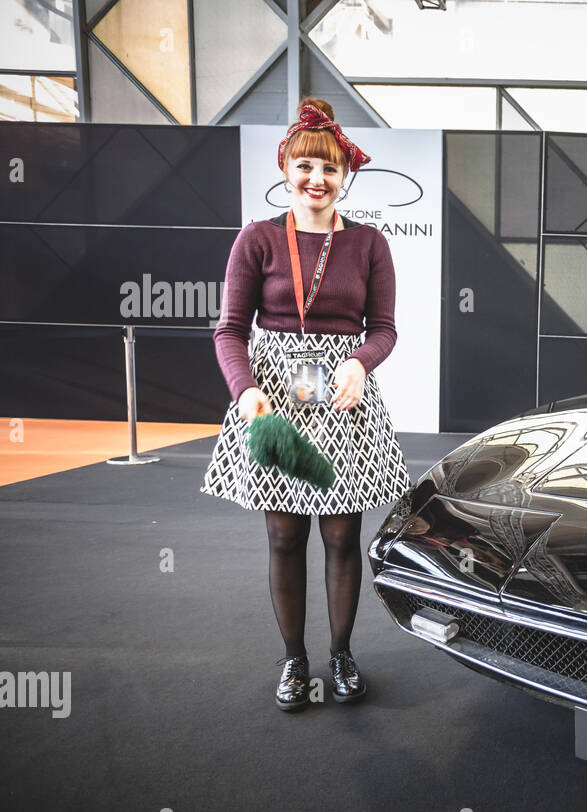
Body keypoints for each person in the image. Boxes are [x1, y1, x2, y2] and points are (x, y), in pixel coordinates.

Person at [199, 96, 410, 712]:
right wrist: (247, 393)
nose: (317, 180)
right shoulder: (258, 239)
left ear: (346, 176)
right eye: (305, 167)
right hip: (275, 403)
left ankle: (341, 654)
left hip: (345, 402)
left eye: (330, 170)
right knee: (285, 538)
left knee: (344, 539)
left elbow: (385, 329)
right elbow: (229, 330)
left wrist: (358, 363)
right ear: (285, 170)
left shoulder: (370, 243)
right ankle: (295, 661)